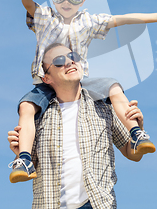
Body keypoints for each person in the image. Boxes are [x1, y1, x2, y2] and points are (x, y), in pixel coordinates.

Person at [9, 0, 157, 183]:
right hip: (47, 82)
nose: (66, 1)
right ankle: (24, 159)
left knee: (113, 86)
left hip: (79, 81)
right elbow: (26, 0)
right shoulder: (46, 18)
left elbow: (121, 19)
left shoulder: (88, 21)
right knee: (27, 107)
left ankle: (136, 134)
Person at [8, 43, 146, 209]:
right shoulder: (38, 116)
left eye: (73, 57)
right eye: (59, 61)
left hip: (96, 204)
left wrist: (139, 130)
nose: (69, 62)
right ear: (47, 78)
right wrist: (19, 154)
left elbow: (133, 155)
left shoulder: (104, 107)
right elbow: (32, 169)